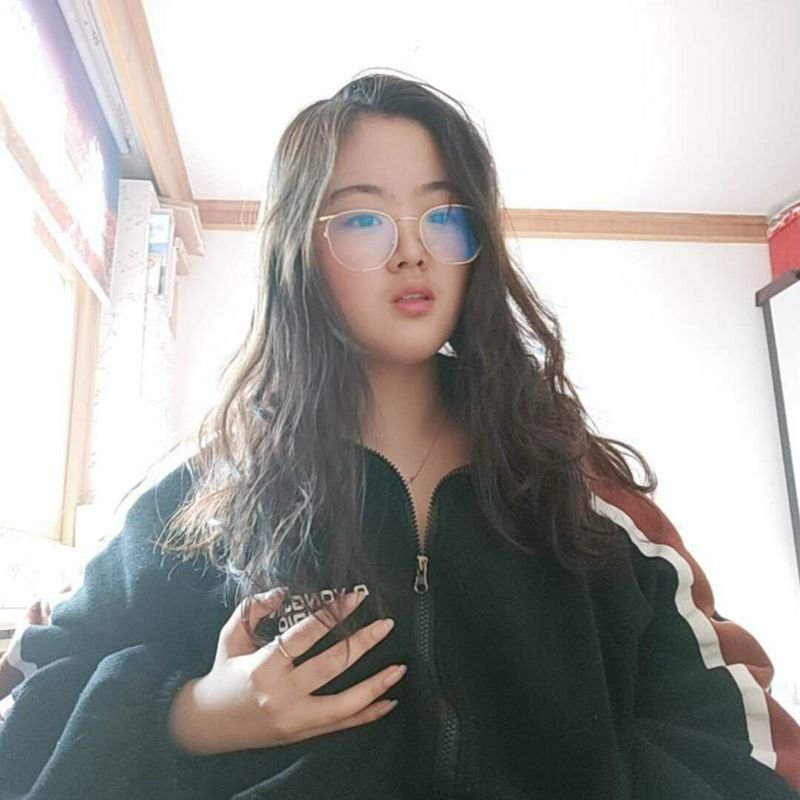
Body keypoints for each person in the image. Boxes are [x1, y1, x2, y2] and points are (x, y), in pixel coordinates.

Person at [0, 71, 798, 800]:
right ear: (300, 247)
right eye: (364, 218)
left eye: (444, 215)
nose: (414, 250)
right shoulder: (203, 491)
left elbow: (733, 734)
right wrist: (194, 716)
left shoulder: (581, 489)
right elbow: (33, 700)